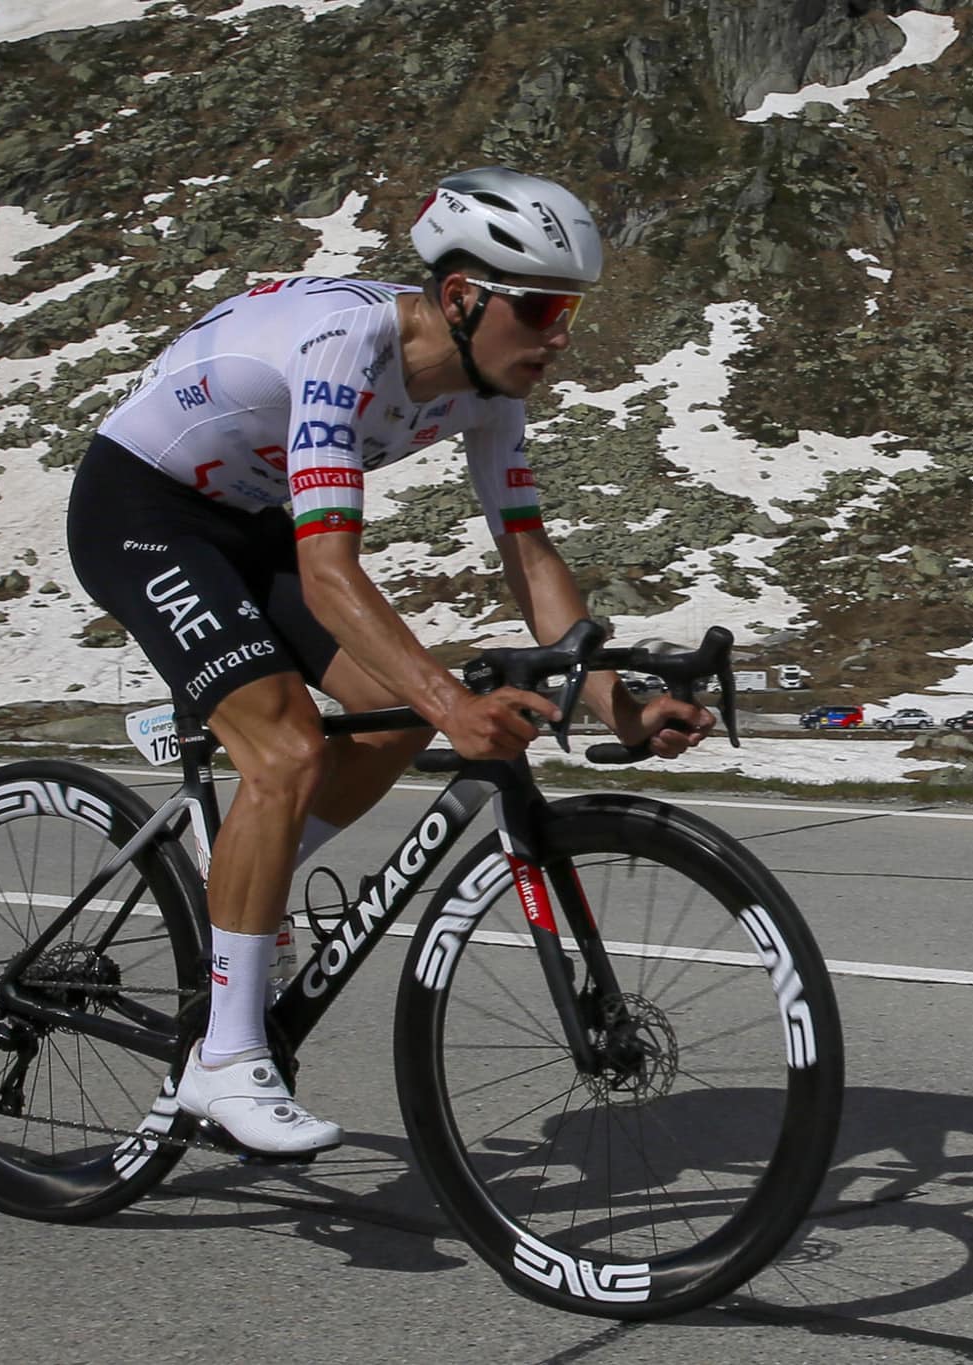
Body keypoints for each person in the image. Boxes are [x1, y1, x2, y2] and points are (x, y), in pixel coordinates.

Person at [65, 167, 715, 1156]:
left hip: (248, 522)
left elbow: (529, 557)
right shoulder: (345, 349)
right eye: (540, 307)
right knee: (282, 749)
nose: (560, 334)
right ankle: (223, 1061)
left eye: (569, 309)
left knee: (394, 710)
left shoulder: (488, 397)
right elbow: (330, 574)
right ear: (460, 298)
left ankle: (241, 866)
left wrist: (615, 703)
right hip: (140, 509)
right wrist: (455, 700)